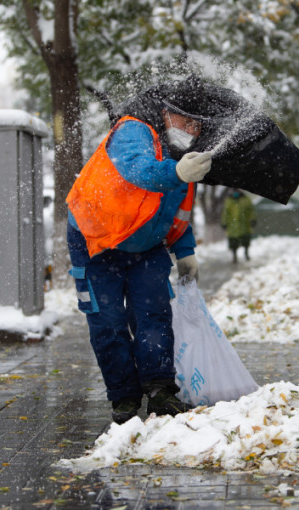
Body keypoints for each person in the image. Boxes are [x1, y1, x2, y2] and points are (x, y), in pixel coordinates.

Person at [65, 84, 213, 424]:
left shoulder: (183, 159)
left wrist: (185, 251)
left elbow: (175, 214)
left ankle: (160, 391)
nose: (193, 130)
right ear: (167, 112)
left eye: (198, 125)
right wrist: (175, 172)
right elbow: (137, 169)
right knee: (109, 323)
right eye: (187, 121)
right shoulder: (134, 129)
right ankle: (124, 398)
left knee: (154, 315)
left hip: (145, 247)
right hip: (96, 241)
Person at [221, 188, 256, 263]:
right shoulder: (229, 200)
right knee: (233, 242)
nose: (236, 192)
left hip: (244, 225)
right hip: (232, 226)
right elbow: (225, 213)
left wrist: (253, 220)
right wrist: (224, 223)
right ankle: (234, 256)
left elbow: (251, 210)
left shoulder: (245, 199)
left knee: (245, 240)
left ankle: (246, 253)